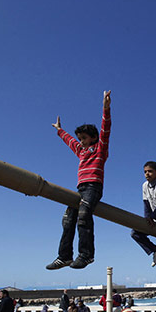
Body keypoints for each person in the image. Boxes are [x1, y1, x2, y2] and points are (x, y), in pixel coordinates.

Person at [46, 90, 112, 270]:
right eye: (80, 139)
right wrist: (60, 130)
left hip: (93, 187)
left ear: (93, 138)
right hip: (81, 189)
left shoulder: (100, 148)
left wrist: (106, 109)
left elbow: (106, 130)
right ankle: (64, 256)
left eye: (84, 138)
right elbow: (69, 141)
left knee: (84, 216)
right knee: (68, 219)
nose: (81, 141)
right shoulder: (81, 151)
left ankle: (86, 255)